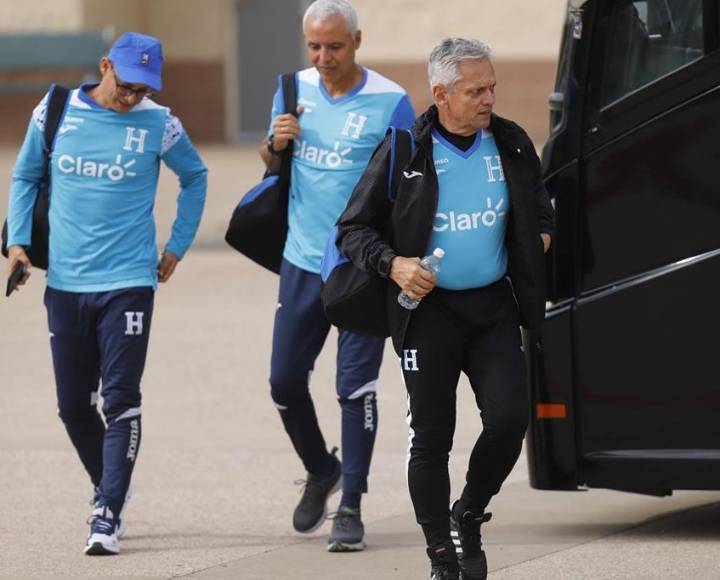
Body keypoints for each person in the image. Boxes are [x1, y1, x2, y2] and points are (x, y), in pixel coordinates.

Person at [339, 37, 554, 580]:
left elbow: (541, 205)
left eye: (492, 87)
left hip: (493, 307)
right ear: (441, 94)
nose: (489, 99)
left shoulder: (511, 142)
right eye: (475, 91)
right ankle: (442, 555)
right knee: (432, 439)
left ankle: (468, 514)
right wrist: (394, 264)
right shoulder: (406, 150)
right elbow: (352, 229)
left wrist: (539, 237)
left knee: (509, 421)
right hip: (428, 314)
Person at [5, 32, 208, 556]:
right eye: (127, 84)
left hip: (129, 283)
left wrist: (177, 244)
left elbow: (195, 177)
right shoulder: (55, 111)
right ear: (104, 67)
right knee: (73, 405)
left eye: (144, 89)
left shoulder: (160, 123)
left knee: (120, 399)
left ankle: (107, 511)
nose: (132, 96)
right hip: (66, 283)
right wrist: (18, 243)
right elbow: (25, 176)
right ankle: (111, 481)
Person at [258, 0, 414, 552]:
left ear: (357, 41)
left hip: (360, 265)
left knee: (354, 387)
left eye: (335, 46)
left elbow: (410, 183)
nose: (323, 57)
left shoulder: (391, 101)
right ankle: (321, 469)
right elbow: (272, 165)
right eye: (315, 46)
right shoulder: (291, 89)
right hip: (302, 260)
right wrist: (275, 145)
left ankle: (351, 505)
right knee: (283, 381)